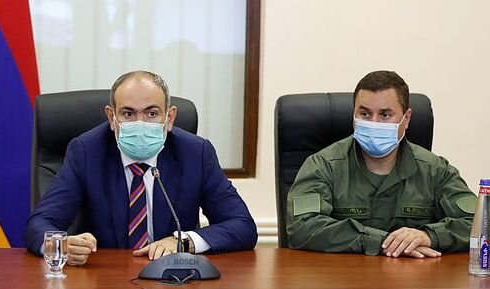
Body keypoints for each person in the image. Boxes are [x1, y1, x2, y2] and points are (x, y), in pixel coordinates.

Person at [25, 70, 257, 266]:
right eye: (128, 113)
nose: (140, 123)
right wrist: (61, 245)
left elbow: (242, 225)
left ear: (170, 118)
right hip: (104, 281)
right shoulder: (87, 151)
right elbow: (38, 224)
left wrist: (182, 241)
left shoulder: (195, 153)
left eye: (152, 113)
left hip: (174, 280)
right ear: (111, 117)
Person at [286, 70, 475, 258]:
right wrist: (379, 241)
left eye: (385, 115)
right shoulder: (322, 166)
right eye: (365, 114)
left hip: (414, 275)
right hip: (343, 275)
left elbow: (481, 223)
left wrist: (429, 236)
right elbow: (302, 227)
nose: (374, 123)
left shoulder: (436, 171)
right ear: (353, 115)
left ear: (406, 118)